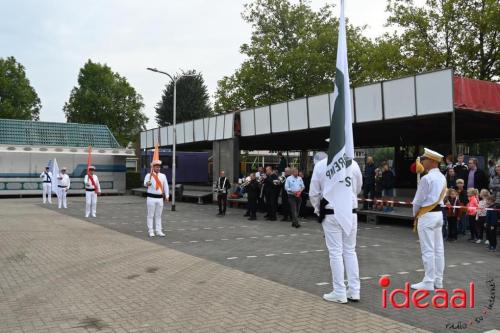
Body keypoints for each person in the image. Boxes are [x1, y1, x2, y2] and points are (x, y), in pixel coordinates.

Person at [309, 158, 363, 303]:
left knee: (335, 252)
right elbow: (357, 188)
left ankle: (339, 291)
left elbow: (313, 192)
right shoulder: (354, 163)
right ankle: (354, 290)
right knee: (350, 251)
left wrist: (317, 209)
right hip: (351, 211)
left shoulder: (321, 165)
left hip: (331, 212)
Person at [411, 148, 447, 291]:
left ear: (432, 161)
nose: (423, 162)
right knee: (439, 249)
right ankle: (438, 280)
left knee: (428, 250)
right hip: (439, 214)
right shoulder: (442, 177)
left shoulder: (427, 178)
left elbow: (417, 202)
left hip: (427, 215)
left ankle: (428, 281)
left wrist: (415, 215)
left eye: (425, 159)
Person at [144, 160, 169, 237]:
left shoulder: (163, 176)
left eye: (159, 167)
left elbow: (166, 186)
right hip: (151, 198)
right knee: (150, 215)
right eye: (156, 167)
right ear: (153, 167)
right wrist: (148, 182)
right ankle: (151, 231)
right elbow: (145, 184)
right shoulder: (149, 175)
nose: (158, 168)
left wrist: (167, 195)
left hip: (160, 198)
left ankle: (159, 231)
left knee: (158, 215)